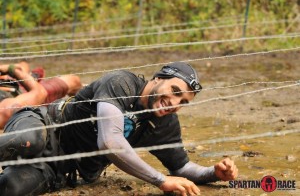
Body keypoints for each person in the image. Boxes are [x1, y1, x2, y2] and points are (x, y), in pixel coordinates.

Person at [0, 62, 238, 196]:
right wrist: (160, 180)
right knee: (26, 139)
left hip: (59, 168)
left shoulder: (165, 124)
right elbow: (109, 141)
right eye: (175, 92)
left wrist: (214, 173)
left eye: (183, 102)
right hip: (45, 125)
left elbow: (182, 167)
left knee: (12, 188)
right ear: (157, 79)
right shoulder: (122, 83)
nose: (175, 104)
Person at [0, 62, 82, 128]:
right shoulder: (6, 109)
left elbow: (23, 65)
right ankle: (82, 110)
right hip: (30, 96)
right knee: (73, 80)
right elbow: (40, 93)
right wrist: (12, 69)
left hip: (17, 85)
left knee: (24, 65)